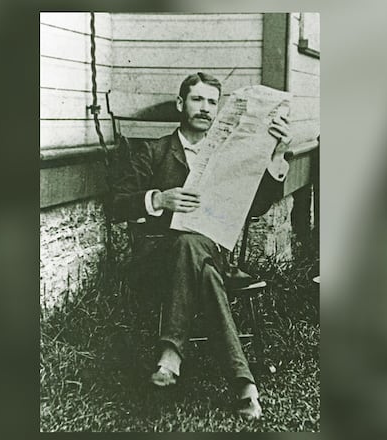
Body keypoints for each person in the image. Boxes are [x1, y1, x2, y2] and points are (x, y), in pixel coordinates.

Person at [108, 72, 293, 420]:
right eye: (197, 99)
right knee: (192, 251)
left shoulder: (230, 155)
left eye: (212, 102)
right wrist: (158, 199)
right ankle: (244, 385)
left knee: (194, 248)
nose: (205, 108)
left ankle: (171, 355)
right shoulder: (154, 151)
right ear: (181, 104)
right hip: (159, 258)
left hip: (215, 255)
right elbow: (116, 205)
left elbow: (256, 207)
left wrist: (277, 155)